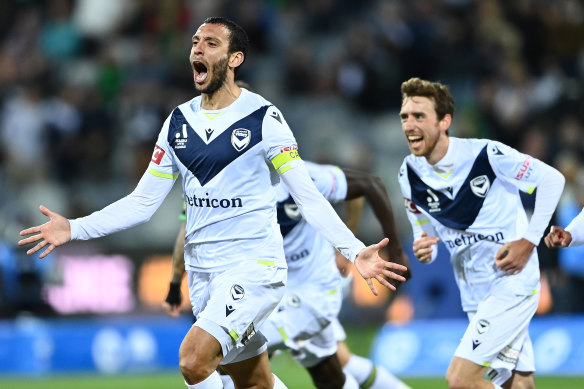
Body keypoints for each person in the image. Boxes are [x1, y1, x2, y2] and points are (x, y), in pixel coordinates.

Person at [18, 17, 407, 389]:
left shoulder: (263, 119)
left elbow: (308, 196)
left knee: (193, 360)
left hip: (253, 269)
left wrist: (355, 251)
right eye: (194, 43)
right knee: (253, 382)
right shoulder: (178, 122)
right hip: (205, 276)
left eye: (210, 43)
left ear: (234, 58)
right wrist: (75, 227)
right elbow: (142, 202)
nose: (197, 49)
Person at [164, 159, 412, 389]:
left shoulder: (299, 176)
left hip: (312, 295)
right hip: (270, 290)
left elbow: (368, 185)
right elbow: (188, 231)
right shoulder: (220, 189)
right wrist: (176, 282)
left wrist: (363, 245)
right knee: (331, 374)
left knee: (221, 354)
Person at [396, 77, 564, 389]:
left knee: (461, 379)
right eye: (405, 116)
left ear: (444, 121)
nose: (409, 124)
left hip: (510, 281)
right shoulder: (408, 173)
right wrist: (423, 244)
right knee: (519, 380)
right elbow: (422, 229)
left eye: (419, 116)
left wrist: (529, 242)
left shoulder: (486, 155)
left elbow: (552, 180)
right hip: (473, 290)